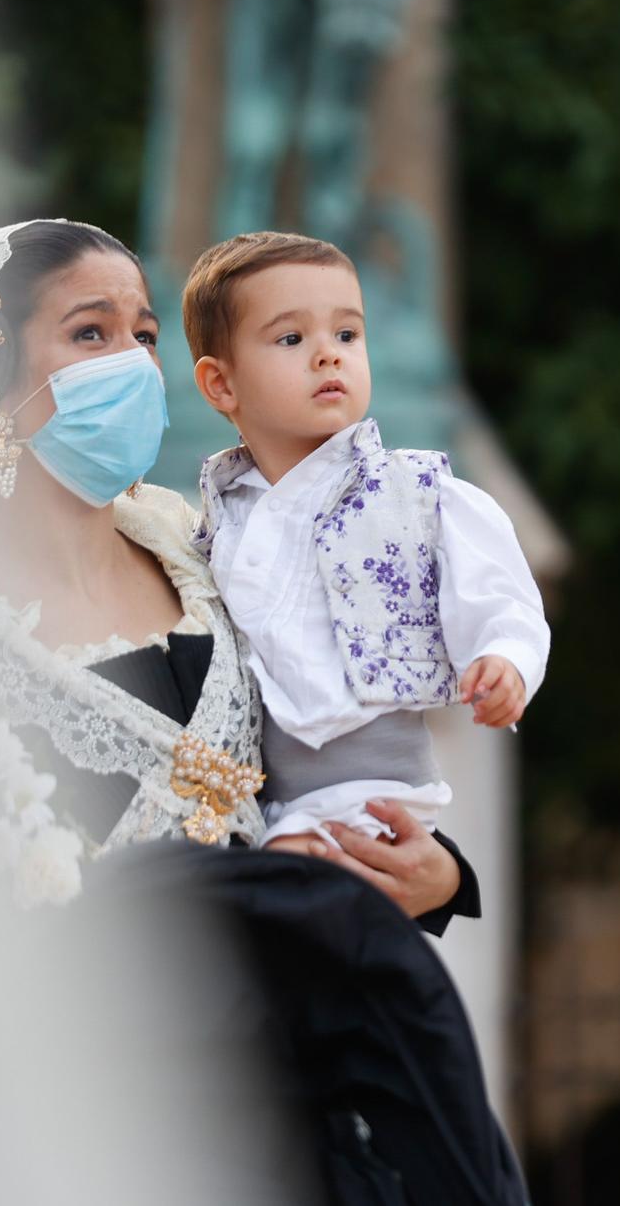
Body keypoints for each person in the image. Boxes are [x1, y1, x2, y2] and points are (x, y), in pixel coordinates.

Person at [0, 219, 527, 1204]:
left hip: (278, 1102)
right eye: (89, 334)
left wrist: (435, 877)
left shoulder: (199, 548)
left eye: (141, 334)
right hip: (91, 1111)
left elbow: (321, 746)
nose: (128, 362)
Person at [183, 230, 549, 855]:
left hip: (372, 789)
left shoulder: (418, 493)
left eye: (347, 335)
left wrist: (504, 660)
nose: (329, 355)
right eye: (292, 339)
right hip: (251, 789)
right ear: (221, 385)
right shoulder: (218, 514)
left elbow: (501, 597)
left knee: (295, 872)